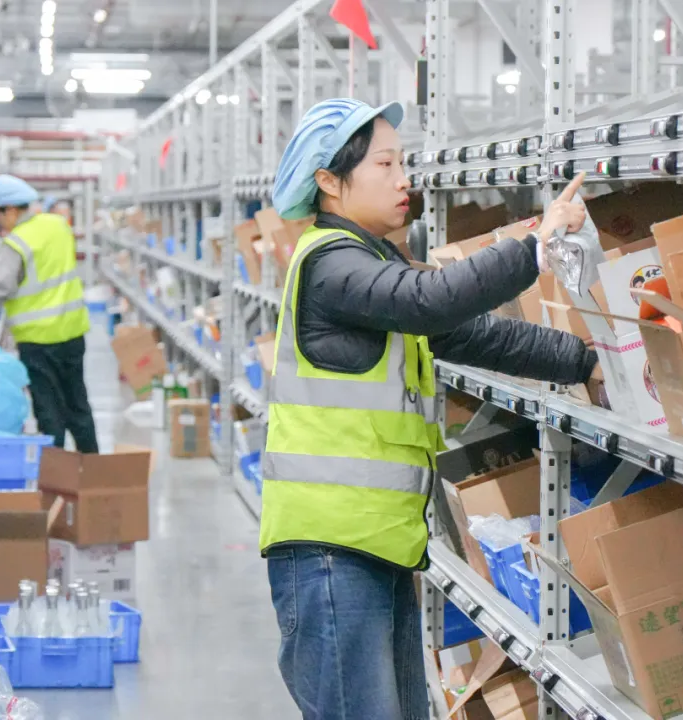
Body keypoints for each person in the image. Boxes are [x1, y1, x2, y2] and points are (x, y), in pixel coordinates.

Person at [261, 98, 597, 720]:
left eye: (403, 162)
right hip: (331, 551)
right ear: (329, 181)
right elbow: (432, 299)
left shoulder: (370, 264)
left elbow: (473, 334)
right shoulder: (330, 265)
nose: (404, 179)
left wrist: (586, 361)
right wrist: (535, 244)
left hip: (379, 545)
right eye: (385, 164)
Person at [0, 174, 98, 453]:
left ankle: (55, 475)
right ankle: (94, 470)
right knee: (77, 405)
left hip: (38, 341)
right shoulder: (58, 225)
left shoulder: (18, 242)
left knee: (49, 412)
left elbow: (0, 286)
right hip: (72, 332)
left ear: (11, 210)